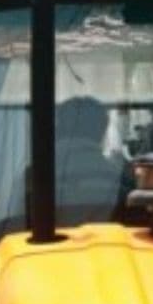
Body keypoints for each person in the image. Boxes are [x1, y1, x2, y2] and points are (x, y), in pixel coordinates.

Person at [54, 95, 125, 224]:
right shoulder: (117, 178)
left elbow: (15, 227)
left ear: (58, 129)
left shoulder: (34, 175)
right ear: (101, 131)